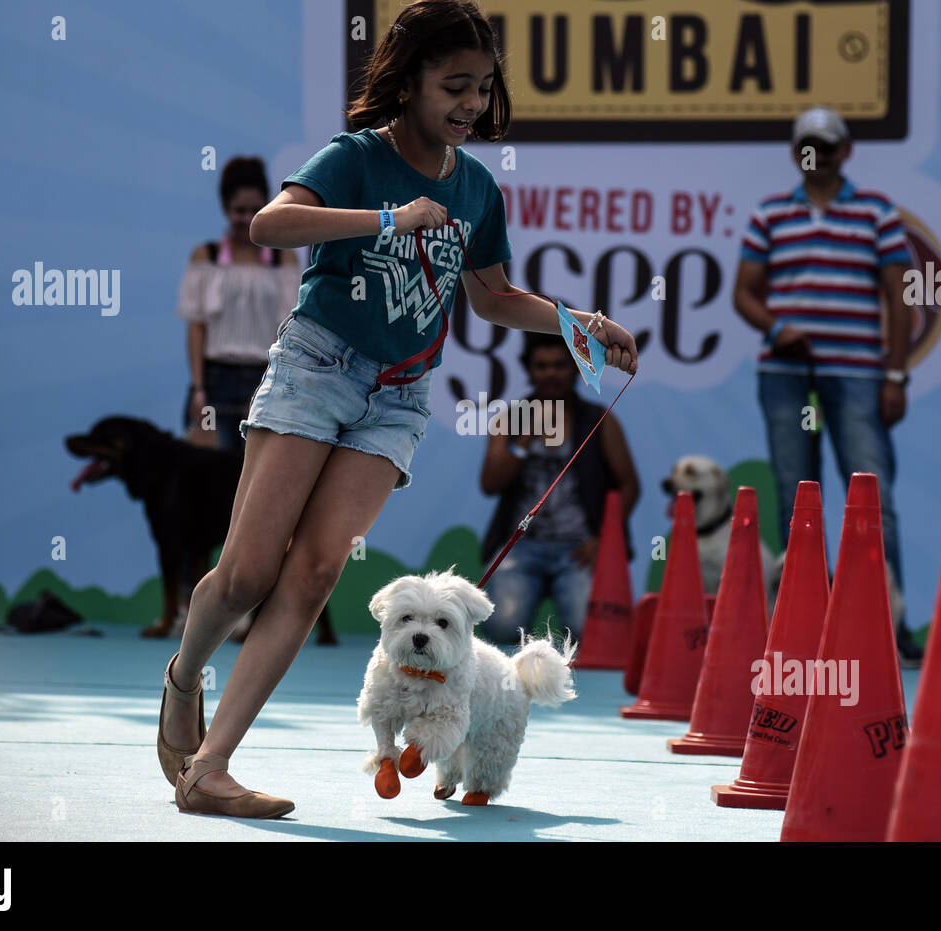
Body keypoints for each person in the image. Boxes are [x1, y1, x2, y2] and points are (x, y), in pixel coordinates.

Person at [155, 0, 639, 818]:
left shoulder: (478, 187)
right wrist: (391, 217)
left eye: (483, 90)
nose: (471, 106)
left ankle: (210, 767)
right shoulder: (356, 158)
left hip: (401, 395)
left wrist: (574, 320)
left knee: (313, 574)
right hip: (317, 367)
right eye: (454, 85)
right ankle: (182, 678)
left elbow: (490, 297)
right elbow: (273, 225)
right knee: (245, 574)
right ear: (407, 80)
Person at [732, 106, 923, 666]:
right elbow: (744, 292)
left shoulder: (876, 213)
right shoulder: (770, 214)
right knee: (798, 499)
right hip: (785, 374)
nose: (819, 153)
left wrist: (895, 373)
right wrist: (776, 327)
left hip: (859, 374)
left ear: (847, 151)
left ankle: (888, 623)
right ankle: (803, 625)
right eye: (809, 144)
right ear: (797, 152)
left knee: (872, 496)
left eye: (829, 144)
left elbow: (898, 297)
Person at [479, 332, 639, 645]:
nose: (550, 373)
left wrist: (604, 540)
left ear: (575, 369)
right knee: (500, 627)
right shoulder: (509, 419)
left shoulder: (600, 420)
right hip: (520, 545)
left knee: (587, 631)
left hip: (579, 549)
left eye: (559, 365)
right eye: (541, 366)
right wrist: (524, 441)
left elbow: (629, 485)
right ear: (529, 370)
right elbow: (490, 484)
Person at [177, 156, 303, 451]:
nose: (247, 218)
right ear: (224, 207)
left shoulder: (284, 258)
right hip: (213, 383)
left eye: (255, 210)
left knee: (254, 490)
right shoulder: (204, 256)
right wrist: (198, 388)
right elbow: (196, 328)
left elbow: (289, 331)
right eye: (239, 210)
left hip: (264, 379)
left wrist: (270, 388)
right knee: (208, 486)